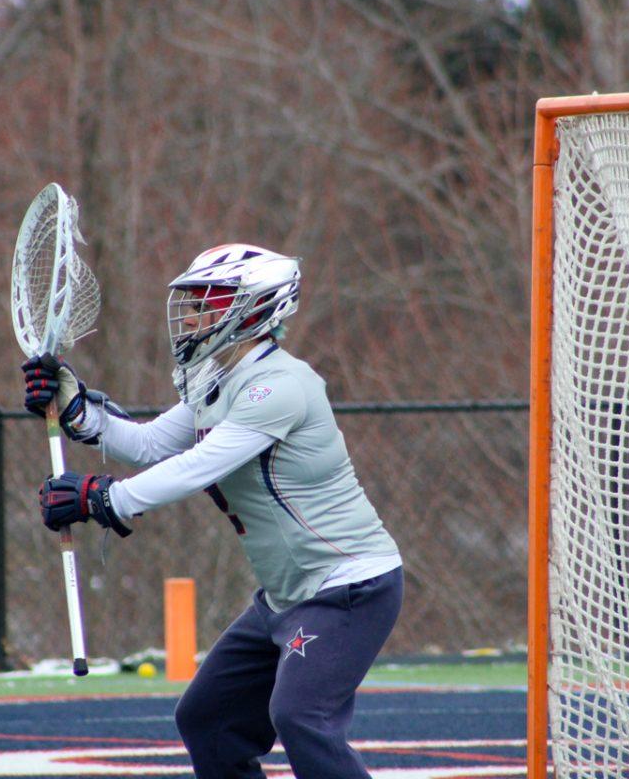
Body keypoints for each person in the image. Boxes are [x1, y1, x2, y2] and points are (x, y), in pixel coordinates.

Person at [21, 243, 402, 779]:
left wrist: (105, 499)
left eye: (209, 302)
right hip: (286, 597)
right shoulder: (215, 381)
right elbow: (152, 444)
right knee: (207, 719)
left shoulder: (282, 386)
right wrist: (76, 408)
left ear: (255, 309)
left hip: (348, 590)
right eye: (195, 302)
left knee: (300, 717)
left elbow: (198, 465)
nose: (194, 315)